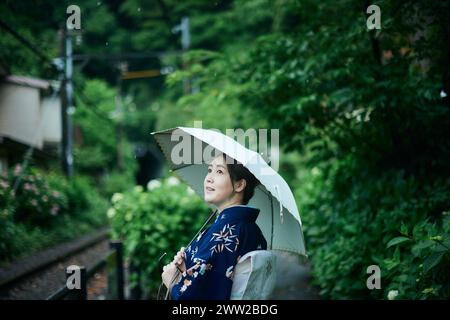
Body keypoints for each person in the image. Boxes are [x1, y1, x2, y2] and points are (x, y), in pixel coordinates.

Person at [161, 153, 267, 300]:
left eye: (219, 171)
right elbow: (215, 278)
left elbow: (193, 297)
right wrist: (186, 267)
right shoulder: (251, 229)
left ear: (239, 185)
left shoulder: (225, 233)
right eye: (210, 170)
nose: (209, 178)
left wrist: (172, 282)